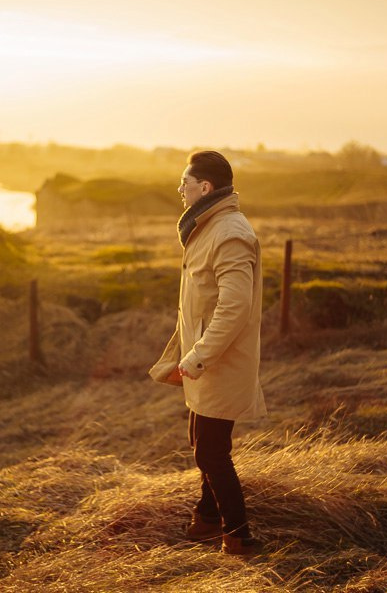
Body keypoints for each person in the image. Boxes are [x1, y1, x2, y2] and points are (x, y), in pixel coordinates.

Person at [149, 150, 266, 555]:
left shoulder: (229, 232)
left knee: (212, 451)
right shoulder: (207, 227)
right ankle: (208, 517)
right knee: (202, 440)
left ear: (205, 187)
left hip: (219, 360)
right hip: (206, 358)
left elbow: (235, 308)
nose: (179, 189)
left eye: (185, 182)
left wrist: (198, 356)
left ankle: (239, 535)